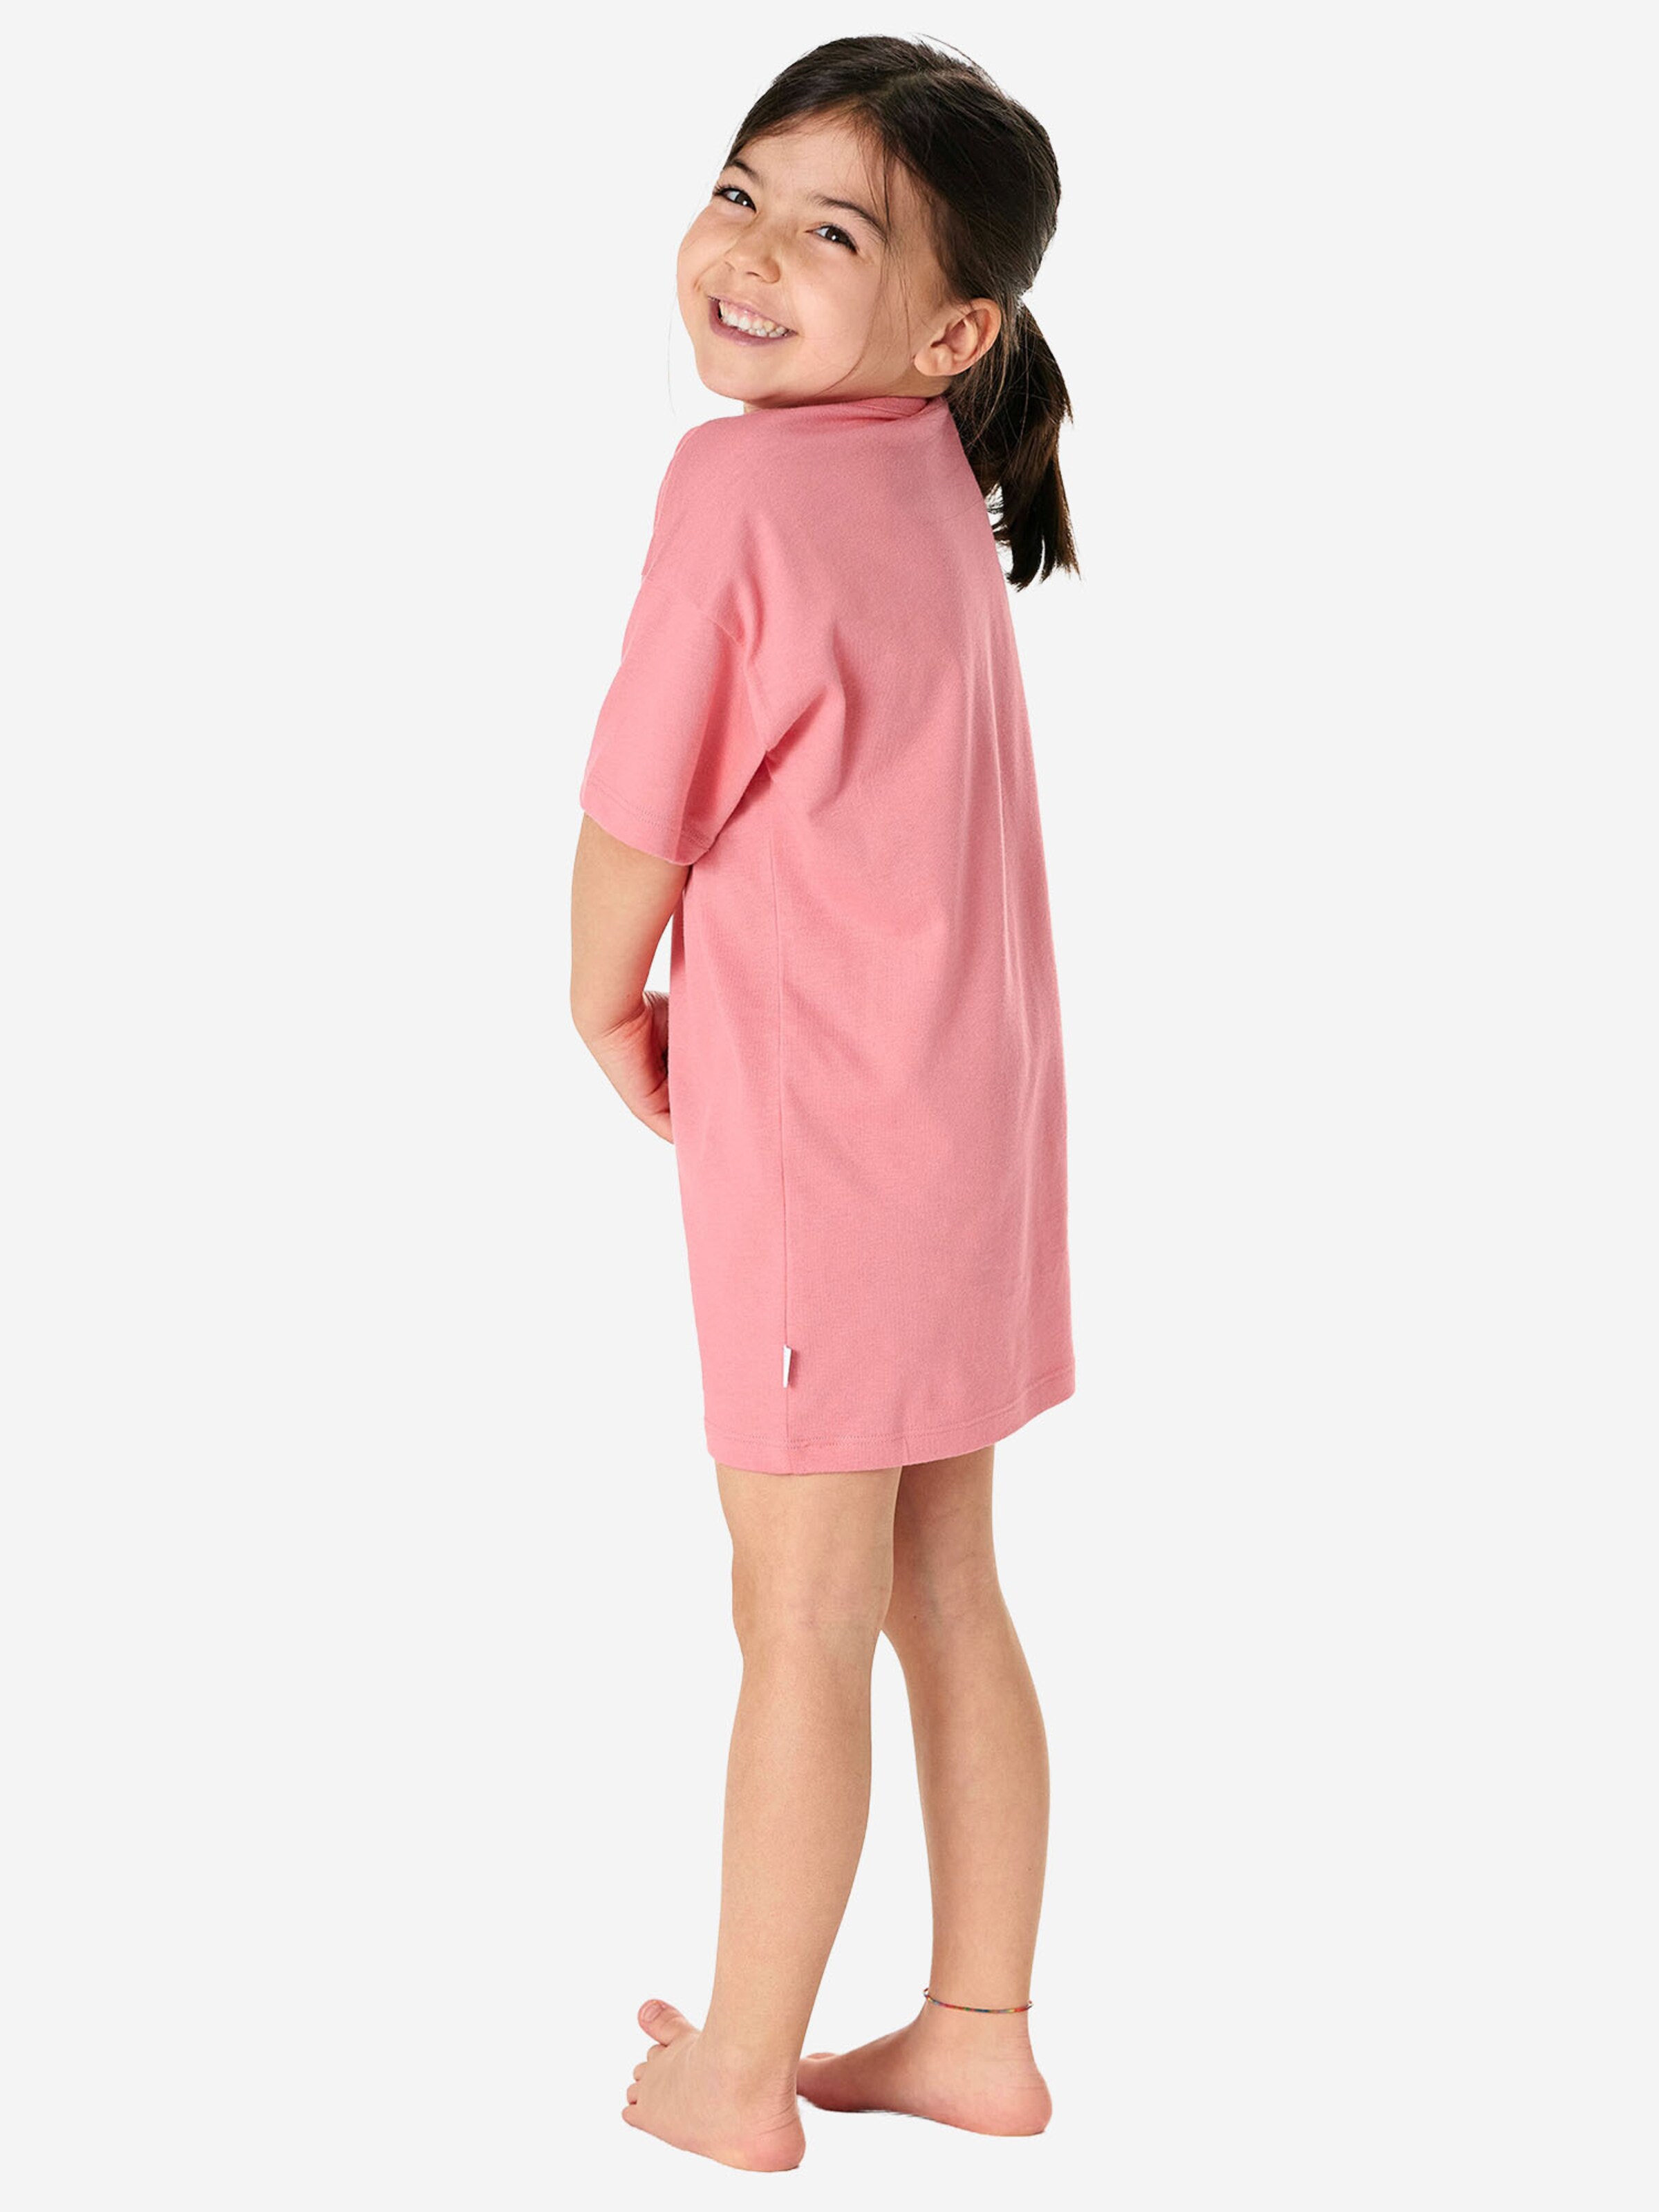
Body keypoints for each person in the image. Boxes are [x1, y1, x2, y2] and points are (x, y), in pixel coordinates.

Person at [570, 35, 1080, 2174]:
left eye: (833, 232)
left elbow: (643, 794)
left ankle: (739, 2069)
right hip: (973, 1125)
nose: (754, 253)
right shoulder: (924, 478)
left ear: (956, 330)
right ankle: (977, 2032)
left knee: (794, 1612)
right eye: (740, 193)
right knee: (942, 1583)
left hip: (827, 1146)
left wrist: (600, 993)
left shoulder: (745, 487)